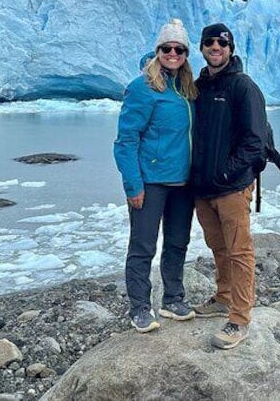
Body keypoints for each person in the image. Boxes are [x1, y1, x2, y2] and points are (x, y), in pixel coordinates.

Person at [113, 18, 198, 333]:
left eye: (179, 49)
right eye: (166, 48)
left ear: (186, 54)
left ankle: (173, 299)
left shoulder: (187, 88)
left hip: (182, 183)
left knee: (177, 242)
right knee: (142, 246)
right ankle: (139, 307)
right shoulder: (143, 88)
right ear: (157, 50)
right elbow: (125, 141)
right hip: (150, 182)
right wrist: (132, 184)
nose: (172, 53)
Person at [191, 22, 269, 349]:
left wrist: (227, 174)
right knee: (218, 247)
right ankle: (223, 296)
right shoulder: (198, 88)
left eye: (221, 43)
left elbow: (255, 141)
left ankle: (239, 318)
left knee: (239, 251)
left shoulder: (243, 87)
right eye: (209, 43)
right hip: (203, 188)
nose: (215, 48)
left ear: (230, 48)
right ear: (202, 48)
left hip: (231, 187)